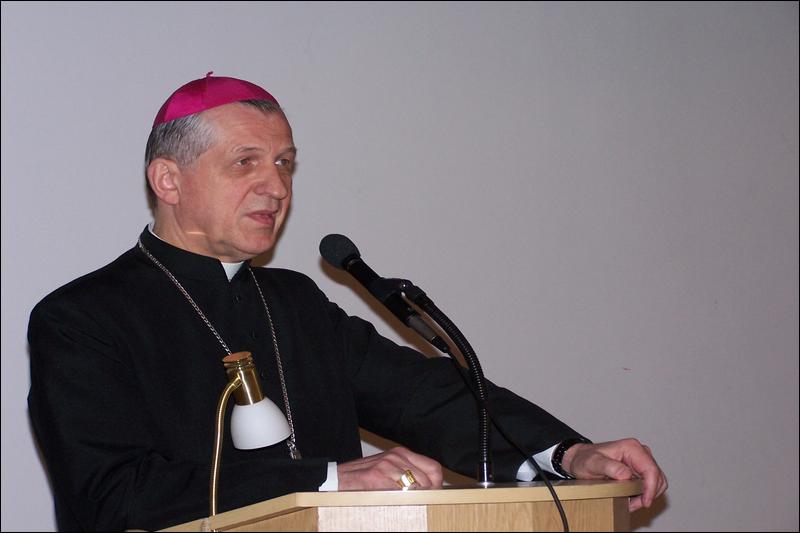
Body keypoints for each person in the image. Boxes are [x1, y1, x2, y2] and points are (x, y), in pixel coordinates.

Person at [27, 73, 667, 531]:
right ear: (168, 180)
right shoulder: (83, 318)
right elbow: (110, 494)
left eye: (284, 163)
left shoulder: (294, 302)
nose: (276, 186)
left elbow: (426, 398)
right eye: (245, 162)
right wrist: (327, 480)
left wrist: (569, 453)